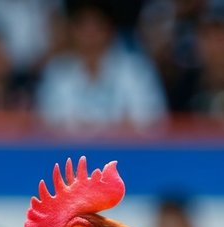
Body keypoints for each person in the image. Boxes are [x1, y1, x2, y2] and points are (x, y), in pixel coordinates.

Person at [36, 3, 167, 131]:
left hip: (125, 152)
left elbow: (152, 122)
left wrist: (91, 128)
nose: (90, 34)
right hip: (71, 151)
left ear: (110, 29)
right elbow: (50, 125)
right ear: (72, 30)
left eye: (96, 26)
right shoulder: (57, 71)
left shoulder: (136, 69)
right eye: (83, 26)